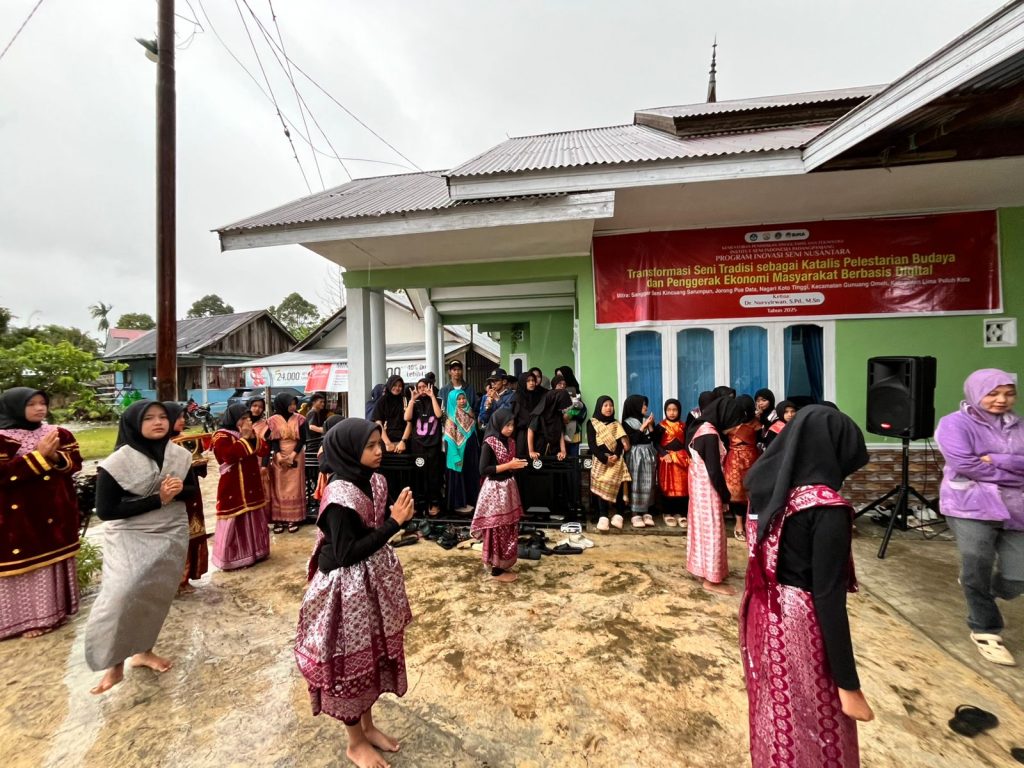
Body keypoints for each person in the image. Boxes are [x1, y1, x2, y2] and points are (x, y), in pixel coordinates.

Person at [741, 405, 874, 766]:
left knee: (776, 710)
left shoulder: (767, 487)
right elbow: (828, 597)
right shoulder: (826, 509)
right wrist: (848, 684)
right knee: (814, 725)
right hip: (801, 627)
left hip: (763, 614)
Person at [294, 419, 414, 768]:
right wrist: (394, 523)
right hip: (344, 592)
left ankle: (368, 727)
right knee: (350, 664)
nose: (379, 451)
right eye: (370, 446)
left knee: (371, 658)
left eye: (379, 443)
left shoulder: (375, 480)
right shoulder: (339, 498)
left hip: (369, 585)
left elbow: (374, 526)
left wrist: (393, 521)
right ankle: (355, 742)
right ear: (348, 451)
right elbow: (346, 554)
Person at [86, 400, 196, 694]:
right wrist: (158, 499)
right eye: (149, 418)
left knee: (154, 594)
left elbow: (191, 491)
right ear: (134, 424)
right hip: (129, 534)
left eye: (162, 417)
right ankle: (114, 663)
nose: (158, 422)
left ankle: (144, 651)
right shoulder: (117, 463)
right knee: (121, 594)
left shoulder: (179, 455)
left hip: (169, 532)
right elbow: (106, 510)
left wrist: (176, 492)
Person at [935, 368, 1024, 667]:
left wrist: (998, 459)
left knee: (1018, 576)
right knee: (976, 562)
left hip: (1015, 507)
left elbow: (986, 464)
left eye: (1009, 394)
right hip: (970, 506)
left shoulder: (1018, 425)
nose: (1001, 400)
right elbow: (965, 464)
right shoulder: (953, 424)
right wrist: (1015, 474)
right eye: (993, 393)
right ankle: (985, 629)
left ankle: (979, 588)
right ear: (975, 393)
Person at [0, 388, 82, 639]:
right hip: (16, 518)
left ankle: (51, 614)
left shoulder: (58, 433)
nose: (39, 408)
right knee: (22, 566)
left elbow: (75, 464)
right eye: (32, 404)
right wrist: (38, 457)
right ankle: (18, 621)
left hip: (54, 513)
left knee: (51, 563)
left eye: (42, 403)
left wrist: (55, 456)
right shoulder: (2, 438)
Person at [687, 396, 744, 595]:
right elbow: (714, 471)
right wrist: (726, 496)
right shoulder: (709, 434)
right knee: (713, 532)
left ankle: (701, 569)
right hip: (708, 489)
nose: (736, 429)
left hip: (698, 487)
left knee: (700, 530)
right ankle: (712, 580)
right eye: (735, 424)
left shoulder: (699, 427)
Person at [211, 404, 272, 570]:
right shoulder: (220, 436)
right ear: (233, 418)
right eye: (243, 418)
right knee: (235, 519)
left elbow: (264, 450)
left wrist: (251, 437)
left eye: (248, 418)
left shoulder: (249, 433)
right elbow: (228, 456)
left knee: (254, 516)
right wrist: (245, 438)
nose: (247, 421)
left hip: (251, 483)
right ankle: (234, 558)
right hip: (233, 485)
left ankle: (257, 552)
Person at [472, 408, 528, 583]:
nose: (511, 428)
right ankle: (496, 569)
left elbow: (509, 465)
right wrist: (509, 465)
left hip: (508, 488)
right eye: (507, 425)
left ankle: (503, 564)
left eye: (512, 425)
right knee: (497, 528)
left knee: (509, 527)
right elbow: (483, 469)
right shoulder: (489, 443)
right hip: (495, 491)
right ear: (498, 424)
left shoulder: (510, 442)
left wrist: (515, 466)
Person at [164, 401, 210, 594]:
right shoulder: (160, 445)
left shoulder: (189, 440)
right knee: (175, 537)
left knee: (193, 533)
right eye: (178, 417)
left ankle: (187, 578)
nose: (183, 420)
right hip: (171, 497)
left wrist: (199, 464)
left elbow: (199, 469)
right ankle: (173, 581)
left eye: (184, 416)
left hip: (192, 494)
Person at [588, 396, 631, 532]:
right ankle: (603, 516)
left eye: (611, 405)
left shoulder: (616, 424)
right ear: (599, 407)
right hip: (600, 461)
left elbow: (620, 443)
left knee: (618, 486)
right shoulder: (593, 423)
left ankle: (619, 514)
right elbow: (592, 445)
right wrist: (605, 459)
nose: (609, 408)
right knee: (601, 486)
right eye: (605, 405)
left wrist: (616, 455)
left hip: (616, 461)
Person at [724, 395, 762, 542]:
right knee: (736, 492)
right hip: (734, 460)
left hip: (752, 459)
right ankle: (739, 524)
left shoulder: (757, 424)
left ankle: (751, 523)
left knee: (751, 491)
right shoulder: (729, 423)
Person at [268, 392, 307, 534]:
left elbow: (302, 439)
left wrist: (292, 455)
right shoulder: (272, 420)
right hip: (279, 455)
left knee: (295, 486)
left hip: (296, 454)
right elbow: (273, 440)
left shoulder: (300, 419)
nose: (293, 407)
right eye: (290, 404)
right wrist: (278, 456)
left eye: (294, 404)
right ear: (282, 404)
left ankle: (293, 519)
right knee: (278, 486)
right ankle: (279, 519)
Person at [405, 379, 444, 516]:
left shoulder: (437, 400)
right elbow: (407, 417)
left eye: (424, 386)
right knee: (419, 475)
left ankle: (434, 503)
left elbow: (439, 415)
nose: (422, 389)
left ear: (430, 386)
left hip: (433, 445)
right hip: (418, 445)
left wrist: (432, 396)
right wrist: (412, 400)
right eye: (419, 387)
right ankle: (419, 503)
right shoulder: (415, 403)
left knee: (433, 475)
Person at [621, 394, 658, 528]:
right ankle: (635, 512)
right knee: (636, 482)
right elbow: (633, 440)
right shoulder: (627, 422)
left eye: (646, 404)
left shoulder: (646, 419)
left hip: (648, 454)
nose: (646, 407)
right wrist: (643, 426)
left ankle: (646, 511)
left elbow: (654, 438)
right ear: (635, 406)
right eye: (643, 405)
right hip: (635, 454)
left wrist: (651, 426)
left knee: (648, 482)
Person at [443, 390, 480, 514]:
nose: (462, 401)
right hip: (459, 452)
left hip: (471, 451)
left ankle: (471, 501)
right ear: (453, 401)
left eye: (463, 398)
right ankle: (459, 505)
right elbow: (449, 439)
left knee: (470, 476)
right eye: (458, 399)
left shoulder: (469, 412)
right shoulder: (451, 418)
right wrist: (455, 456)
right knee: (459, 478)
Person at [656, 398, 690, 529]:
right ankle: (667, 512)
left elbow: (686, 443)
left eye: (674, 410)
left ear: (679, 411)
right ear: (665, 411)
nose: (672, 412)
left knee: (682, 486)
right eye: (669, 410)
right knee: (667, 486)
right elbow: (656, 443)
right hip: (667, 459)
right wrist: (663, 454)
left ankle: (680, 512)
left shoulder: (683, 426)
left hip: (681, 460)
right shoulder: (661, 426)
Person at [372, 375, 411, 453]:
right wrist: (387, 443)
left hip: (404, 442)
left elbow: (410, 422)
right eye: (394, 385)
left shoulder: (406, 400)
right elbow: (378, 423)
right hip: (386, 442)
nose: (397, 388)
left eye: (400, 386)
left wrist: (403, 441)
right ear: (389, 385)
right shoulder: (382, 401)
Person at [528, 389, 570, 460]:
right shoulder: (540, 413)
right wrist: (531, 451)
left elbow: (560, 432)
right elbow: (530, 430)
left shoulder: (557, 414)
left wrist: (563, 451)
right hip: (539, 451)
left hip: (555, 451)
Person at [512, 372, 544, 457]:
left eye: (533, 380)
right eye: (528, 381)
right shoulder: (518, 398)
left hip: (537, 435)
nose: (531, 383)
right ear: (523, 382)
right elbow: (517, 418)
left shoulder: (538, 396)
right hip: (523, 435)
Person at [753, 388, 778, 453]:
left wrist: (761, 417)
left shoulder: (776, 415)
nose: (760, 403)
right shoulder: (755, 415)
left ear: (771, 400)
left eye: (764, 400)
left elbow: (772, 429)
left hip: (771, 448)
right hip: (757, 450)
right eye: (758, 401)